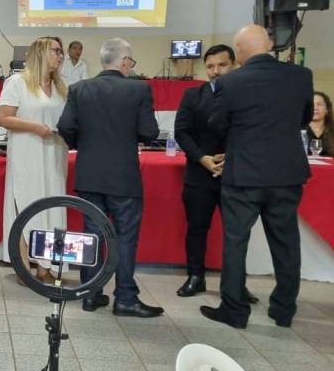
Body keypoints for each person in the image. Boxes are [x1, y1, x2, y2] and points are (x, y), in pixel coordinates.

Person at [201, 25, 313, 329]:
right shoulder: (300, 76)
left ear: (239, 51)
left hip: (244, 174)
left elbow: (217, 124)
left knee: (236, 242)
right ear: (270, 45)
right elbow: (304, 118)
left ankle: (234, 311)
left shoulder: (230, 82)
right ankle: (283, 310)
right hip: (286, 173)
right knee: (286, 242)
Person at [58, 37, 164, 318]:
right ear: (125, 61)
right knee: (125, 237)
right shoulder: (139, 89)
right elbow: (149, 132)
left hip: (89, 174)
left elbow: (65, 126)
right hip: (124, 176)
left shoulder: (79, 89)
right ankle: (126, 298)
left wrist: (82, 144)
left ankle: (90, 294)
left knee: (91, 235)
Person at [0, 37, 69, 285]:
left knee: (53, 209)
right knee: (26, 207)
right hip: (27, 155)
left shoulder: (61, 86)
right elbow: (3, 117)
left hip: (54, 155)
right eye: (56, 51)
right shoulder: (17, 82)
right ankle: (24, 266)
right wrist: (34, 127)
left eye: (61, 52)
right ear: (40, 53)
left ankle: (46, 267)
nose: (60, 55)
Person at [174, 44, 236, 297]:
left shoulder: (245, 95)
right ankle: (195, 276)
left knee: (236, 233)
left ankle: (236, 284)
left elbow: (252, 131)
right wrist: (203, 158)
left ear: (234, 65)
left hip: (235, 174)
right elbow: (181, 132)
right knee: (197, 229)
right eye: (210, 66)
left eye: (222, 65)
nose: (215, 71)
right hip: (199, 174)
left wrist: (231, 156)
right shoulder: (192, 95)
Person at [307, 91, 334, 156]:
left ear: (327, 109)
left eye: (319, 104)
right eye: (312, 105)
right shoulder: (297, 130)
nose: (315, 108)